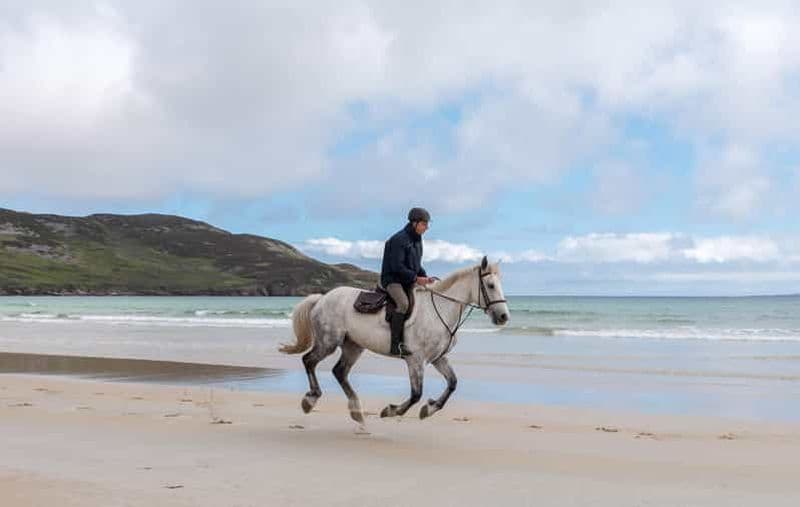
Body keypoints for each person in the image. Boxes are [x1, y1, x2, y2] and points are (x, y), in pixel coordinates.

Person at [380, 207, 434, 357]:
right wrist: (416, 278)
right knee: (403, 304)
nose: (426, 227)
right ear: (414, 223)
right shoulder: (399, 240)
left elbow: (415, 265)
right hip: (392, 280)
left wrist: (426, 277)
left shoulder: (417, 241)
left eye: (427, 224)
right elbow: (397, 267)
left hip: (406, 279)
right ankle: (395, 345)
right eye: (424, 224)